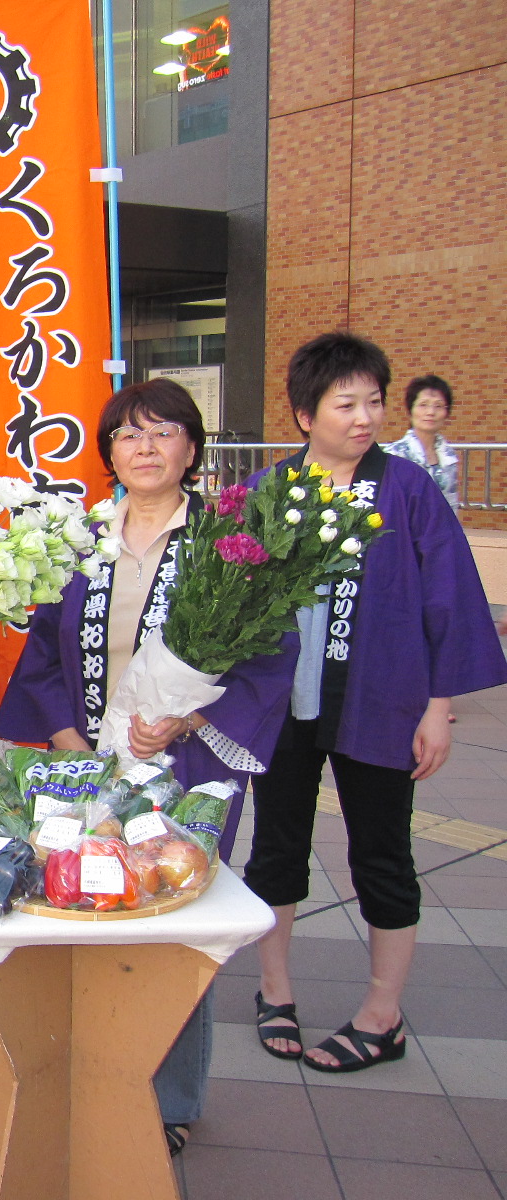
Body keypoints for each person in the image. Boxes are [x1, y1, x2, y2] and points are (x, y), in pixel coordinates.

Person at [0, 378, 299, 1154]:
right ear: (109, 454)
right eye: (130, 434)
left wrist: (189, 718)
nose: (147, 447)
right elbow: (40, 661)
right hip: (85, 768)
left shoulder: (229, 542)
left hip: (183, 769)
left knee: (171, 925)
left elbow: (269, 655)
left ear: (192, 450)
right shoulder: (84, 539)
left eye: (165, 432)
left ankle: (169, 1101)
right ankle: (89, 1077)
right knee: (85, 908)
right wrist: (73, 749)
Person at [245, 333, 506, 1072]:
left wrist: (437, 705)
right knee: (277, 850)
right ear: (304, 414)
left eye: (374, 403)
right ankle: (275, 991)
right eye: (345, 403)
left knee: (384, 858)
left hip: (381, 701)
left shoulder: (407, 488)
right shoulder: (273, 490)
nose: (364, 418)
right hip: (285, 709)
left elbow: (447, 597)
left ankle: (382, 1012)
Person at [385, 374, 460, 509]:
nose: (430, 412)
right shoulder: (394, 455)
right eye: (423, 405)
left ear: (447, 412)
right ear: (410, 410)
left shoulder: (449, 456)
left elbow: (452, 503)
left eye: (438, 406)